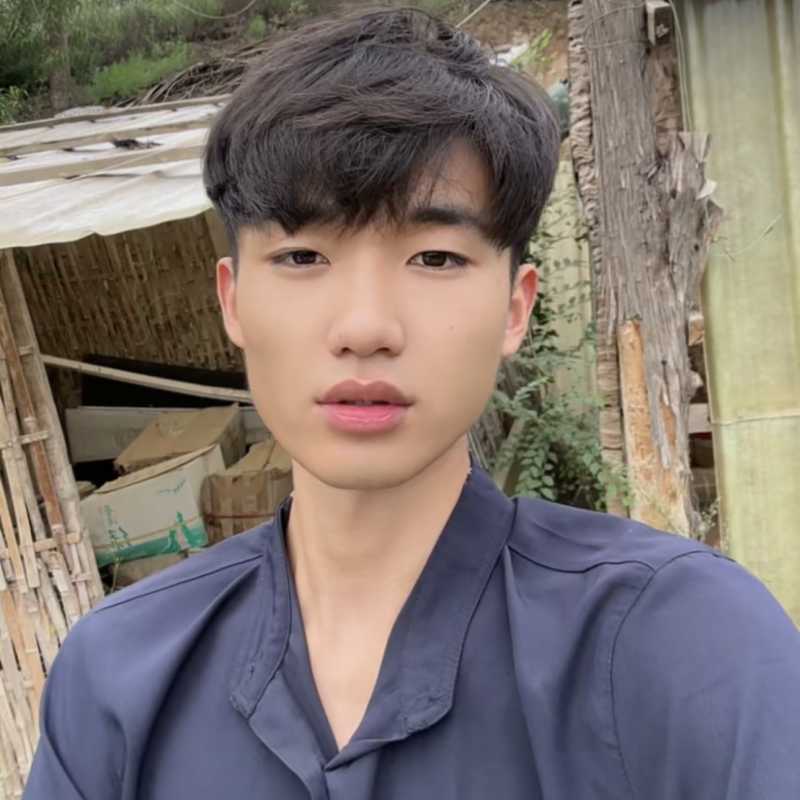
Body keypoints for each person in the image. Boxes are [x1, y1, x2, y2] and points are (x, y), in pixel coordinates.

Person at [23, 7, 800, 799]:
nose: (365, 327)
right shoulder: (119, 674)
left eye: (434, 257)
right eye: (302, 256)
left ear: (515, 307)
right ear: (233, 301)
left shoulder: (682, 645)